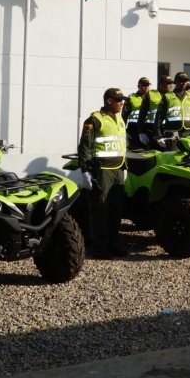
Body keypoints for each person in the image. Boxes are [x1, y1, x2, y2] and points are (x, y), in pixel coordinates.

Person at [78, 88, 129, 260]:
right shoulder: (94, 120)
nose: (122, 102)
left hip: (118, 170)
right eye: (118, 100)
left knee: (116, 210)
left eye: (122, 100)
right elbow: (84, 147)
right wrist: (85, 171)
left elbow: (121, 145)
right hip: (102, 172)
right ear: (109, 101)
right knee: (100, 210)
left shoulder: (120, 120)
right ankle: (99, 247)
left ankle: (113, 244)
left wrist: (125, 167)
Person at [150, 72, 190, 151]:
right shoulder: (167, 96)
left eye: (185, 81)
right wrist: (158, 136)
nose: (183, 83)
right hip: (172, 136)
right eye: (180, 81)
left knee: (188, 160)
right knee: (174, 160)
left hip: (189, 135)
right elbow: (159, 117)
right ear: (175, 82)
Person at [136, 75, 171, 145]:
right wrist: (141, 132)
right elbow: (142, 114)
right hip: (151, 130)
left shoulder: (172, 95)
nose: (171, 85)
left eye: (171, 83)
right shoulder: (150, 94)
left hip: (167, 129)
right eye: (168, 84)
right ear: (161, 84)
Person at [123, 77, 152, 147]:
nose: (146, 88)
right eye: (143, 85)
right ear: (138, 86)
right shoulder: (131, 98)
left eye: (147, 86)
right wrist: (124, 131)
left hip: (148, 128)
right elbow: (124, 115)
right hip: (134, 128)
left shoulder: (153, 97)